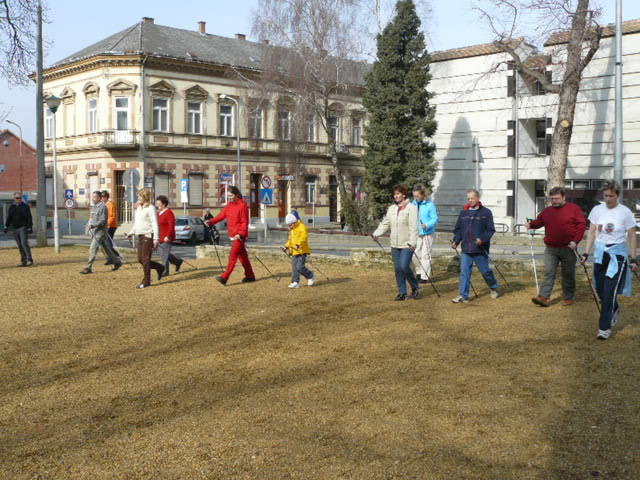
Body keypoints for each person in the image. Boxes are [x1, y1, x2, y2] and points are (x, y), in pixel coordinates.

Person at [580, 181, 638, 340]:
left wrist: (633, 258)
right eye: (605, 195)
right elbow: (592, 232)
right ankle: (614, 307)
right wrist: (586, 253)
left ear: (617, 195)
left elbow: (632, 235)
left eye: (611, 196)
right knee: (600, 289)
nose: (608, 199)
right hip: (600, 253)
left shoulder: (625, 212)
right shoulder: (597, 210)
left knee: (609, 292)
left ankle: (604, 328)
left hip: (617, 255)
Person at [527, 187, 586, 307]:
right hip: (551, 249)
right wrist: (531, 224)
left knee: (568, 274)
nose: (554, 201)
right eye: (552, 199)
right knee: (549, 272)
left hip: (568, 248)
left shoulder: (574, 209)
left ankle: (568, 297)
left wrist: (575, 241)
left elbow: (581, 226)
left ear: (564, 197)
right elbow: (539, 222)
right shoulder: (547, 211)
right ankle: (543, 297)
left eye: (557, 198)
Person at [372, 184, 420, 301]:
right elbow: (385, 224)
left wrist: (412, 242)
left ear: (404, 195)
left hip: (407, 244)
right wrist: (376, 233)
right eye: (394, 194)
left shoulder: (412, 208)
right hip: (394, 244)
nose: (396, 196)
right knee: (398, 269)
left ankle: (415, 286)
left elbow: (414, 227)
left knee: (404, 266)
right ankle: (402, 293)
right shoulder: (391, 209)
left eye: (398, 194)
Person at [451, 189, 499, 303]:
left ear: (478, 198)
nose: (470, 200)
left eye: (472, 198)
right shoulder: (463, 213)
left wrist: (482, 239)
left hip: (480, 249)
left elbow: (490, 230)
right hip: (466, 249)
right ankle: (464, 296)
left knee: (485, 271)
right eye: (468, 198)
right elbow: (458, 229)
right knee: (464, 273)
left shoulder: (486, 212)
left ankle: (494, 287)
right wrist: (456, 241)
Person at [205, 186, 256, 285]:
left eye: (231, 195)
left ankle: (224, 277)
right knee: (243, 257)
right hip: (233, 235)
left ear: (237, 194)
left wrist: (240, 234)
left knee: (233, 256)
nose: (230, 198)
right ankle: (250, 276)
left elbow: (244, 221)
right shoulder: (229, 205)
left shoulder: (242, 205)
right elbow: (221, 215)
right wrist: (211, 222)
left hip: (239, 236)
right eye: (228, 196)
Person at [127, 188, 164, 289]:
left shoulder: (151, 208)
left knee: (146, 259)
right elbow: (137, 223)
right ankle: (160, 267)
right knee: (140, 259)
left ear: (145, 197)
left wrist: (156, 238)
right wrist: (131, 232)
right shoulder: (139, 208)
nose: (138, 198)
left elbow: (155, 224)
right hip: (140, 235)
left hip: (148, 235)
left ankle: (146, 280)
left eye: (140, 196)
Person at [80, 191, 122, 274]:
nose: (93, 198)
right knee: (106, 249)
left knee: (93, 248)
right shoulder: (94, 207)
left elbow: (103, 221)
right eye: (92, 197)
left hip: (100, 232)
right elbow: (92, 218)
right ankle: (117, 262)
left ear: (99, 198)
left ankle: (88, 268)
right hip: (95, 231)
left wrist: (93, 225)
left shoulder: (103, 207)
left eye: (95, 197)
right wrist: (88, 225)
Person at [412, 185, 438, 284]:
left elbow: (434, 219)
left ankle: (425, 277)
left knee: (425, 255)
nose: (416, 198)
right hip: (416, 233)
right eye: (414, 196)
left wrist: (426, 225)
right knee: (415, 254)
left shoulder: (429, 205)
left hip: (427, 233)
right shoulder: (413, 204)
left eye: (417, 196)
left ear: (423, 195)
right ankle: (419, 272)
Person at [284, 212, 315, 288]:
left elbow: (304, 238)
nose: (289, 226)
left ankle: (310, 275)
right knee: (294, 268)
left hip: (302, 251)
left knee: (300, 267)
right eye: (288, 225)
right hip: (294, 251)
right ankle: (295, 282)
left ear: (294, 222)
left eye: (290, 225)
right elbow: (290, 240)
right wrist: (286, 246)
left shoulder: (302, 227)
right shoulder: (292, 230)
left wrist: (298, 245)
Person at [156, 195, 184, 275]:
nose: (157, 205)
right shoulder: (159, 213)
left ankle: (165, 271)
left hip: (167, 237)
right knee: (165, 254)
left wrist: (168, 236)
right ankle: (178, 262)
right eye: (157, 203)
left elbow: (171, 225)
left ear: (164, 204)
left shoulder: (169, 212)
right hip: (160, 237)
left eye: (159, 203)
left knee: (164, 255)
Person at [3, 192, 33, 267]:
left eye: (19, 198)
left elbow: (29, 217)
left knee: (24, 243)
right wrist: (6, 226)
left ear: (21, 198)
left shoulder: (25, 206)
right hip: (15, 228)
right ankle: (24, 261)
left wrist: (30, 227)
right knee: (19, 245)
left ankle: (29, 260)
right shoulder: (12, 207)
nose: (18, 199)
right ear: (14, 198)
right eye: (17, 198)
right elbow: (9, 217)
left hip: (23, 227)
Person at [101, 190, 121, 265]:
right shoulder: (103, 205)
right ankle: (111, 258)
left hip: (111, 227)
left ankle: (116, 256)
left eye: (103, 197)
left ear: (106, 197)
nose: (102, 198)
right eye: (101, 197)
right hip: (105, 226)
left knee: (108, 244)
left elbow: (112, 217)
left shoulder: (110, 204)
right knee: (105, 244)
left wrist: (107, 224)